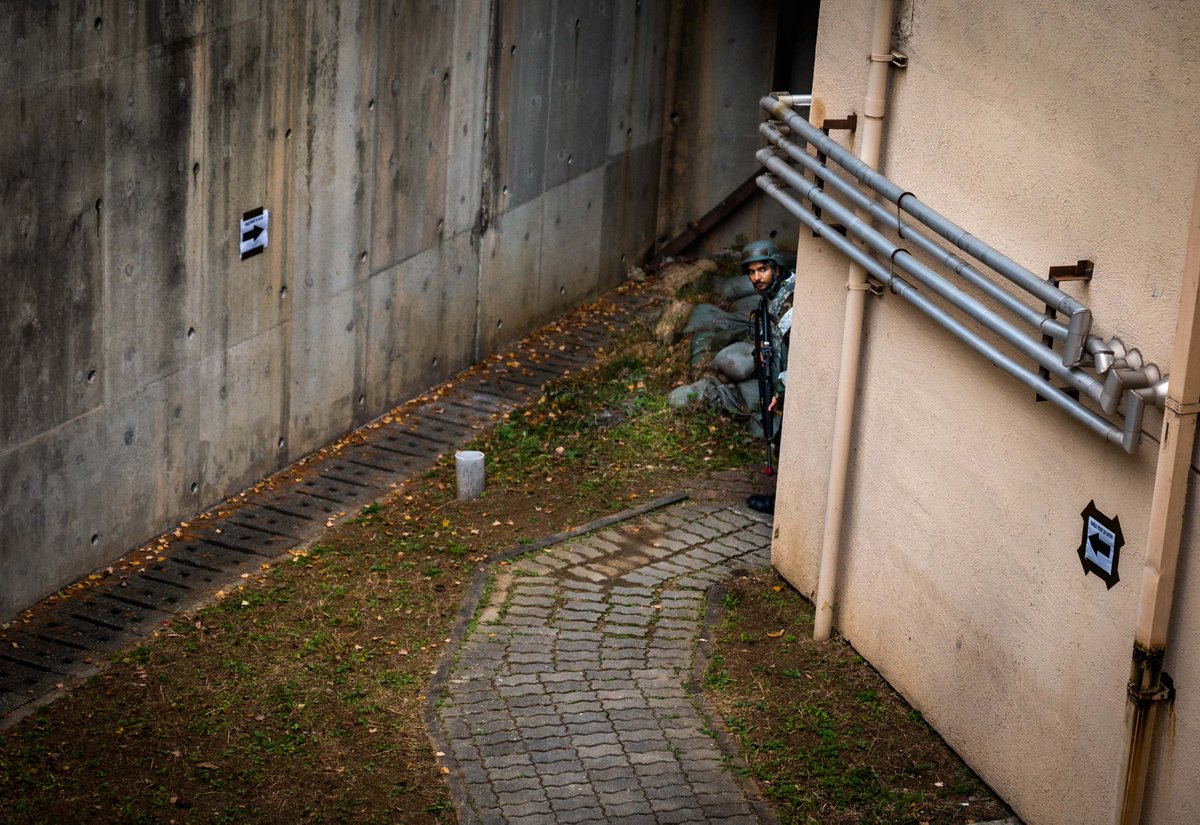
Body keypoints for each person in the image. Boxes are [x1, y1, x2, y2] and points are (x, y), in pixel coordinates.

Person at [741, 240, 794, 514]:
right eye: (752, 272)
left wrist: (781, 391)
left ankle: (783, 504)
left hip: (796, 385)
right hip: (783, 382)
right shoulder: (771, 298)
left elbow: (799, 353)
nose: (757, 277)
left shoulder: (789, 300)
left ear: (776, 267)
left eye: (762, 269)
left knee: (787, 444)